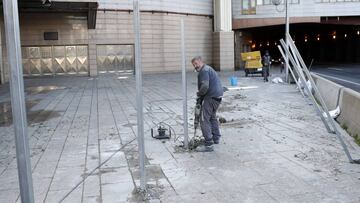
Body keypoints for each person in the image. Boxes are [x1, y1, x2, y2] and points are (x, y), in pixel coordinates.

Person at [191, 56, 223, 152]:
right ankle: (216, 138)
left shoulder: (204, 71)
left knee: (204, 119)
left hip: (211, 97)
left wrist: (199, 94)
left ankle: (208, 144)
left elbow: (205, 86)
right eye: (193, 65)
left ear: (201, 61)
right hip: (217, 97)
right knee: (212, 117)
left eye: (196, 63)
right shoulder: (208, 68)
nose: (195, 66)